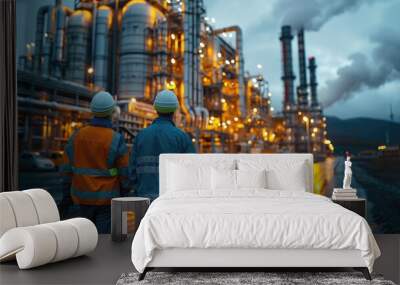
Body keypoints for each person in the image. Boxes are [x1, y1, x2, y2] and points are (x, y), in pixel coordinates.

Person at [60, 91, 130, 233]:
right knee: (103, 242)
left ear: (92, 110)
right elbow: (124, 173)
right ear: (111, 112)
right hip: (107, 201)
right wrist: (125, 192)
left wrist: (66, 195)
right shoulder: (116, 139)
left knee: (83, 241)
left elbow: (66, 170)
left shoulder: (77, 136)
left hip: (80, 201)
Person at [130, 90, 196, 200]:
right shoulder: (182, 138)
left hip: (143, 198)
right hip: (172, 200)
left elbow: (131, 171)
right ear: (175, 110)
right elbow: (192, 172)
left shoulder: (141, 136)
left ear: (155, 108)